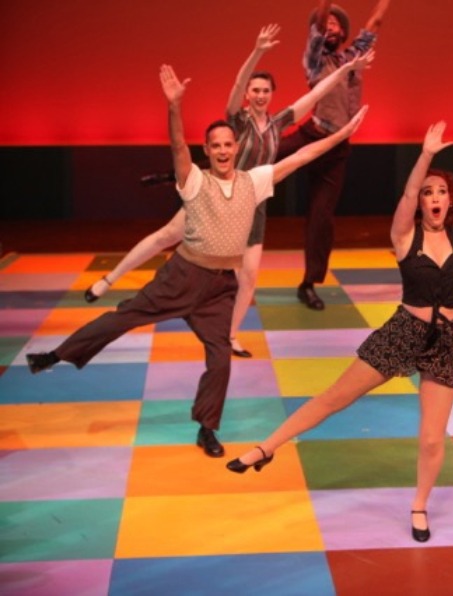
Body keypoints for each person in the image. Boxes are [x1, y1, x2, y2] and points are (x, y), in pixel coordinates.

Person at [25, 65, 367, 459]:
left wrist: (343, 134)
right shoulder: (194, 180)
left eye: (227, 145)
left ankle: (207, 428)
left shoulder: (254, 181)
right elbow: (176, 146)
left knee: (220, 361)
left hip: (220, 288)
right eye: (215, 146)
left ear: (235, 148)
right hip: (182, 277)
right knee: (123, 317)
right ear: (208, 151)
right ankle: (56, 355)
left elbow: (305, 154)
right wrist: (174, 107)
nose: (223, 150)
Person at [226, 122, 453, 543]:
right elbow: (408, 193)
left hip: (445, 341)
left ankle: (419, 506)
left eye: (441, 193)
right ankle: (266, 447)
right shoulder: (404, 235)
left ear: (451, 200)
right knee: (334, 398)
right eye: (429, 192)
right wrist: (426, 155)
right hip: (403, 331)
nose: (433, 198)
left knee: (432, 440)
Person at [83, 25, 373, 359]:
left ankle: (231, 336)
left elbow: (313, 95)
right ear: (249, 94)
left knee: (248, 277)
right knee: (167, 235)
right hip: (215, 196)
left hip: (253, 205)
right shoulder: (236, 120)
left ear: (271, 94)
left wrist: (346, 70)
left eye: (266, 90)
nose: (261, 95)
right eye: (256, 90)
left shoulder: (278, 123)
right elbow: (236, 85)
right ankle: (109, 279)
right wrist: (258, 51)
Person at [277, 0, 390, 311]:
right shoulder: (315, 59)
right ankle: (195, 172)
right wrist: (323, 10)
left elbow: (375, 23)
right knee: (258, 154)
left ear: (344, 32)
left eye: (335, 26)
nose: (329, 29)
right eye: (325, 26)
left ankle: (309, 283)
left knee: (322, 217)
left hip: (337, 148)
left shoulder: (354, 56)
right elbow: (317, 23)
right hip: (310, 134)